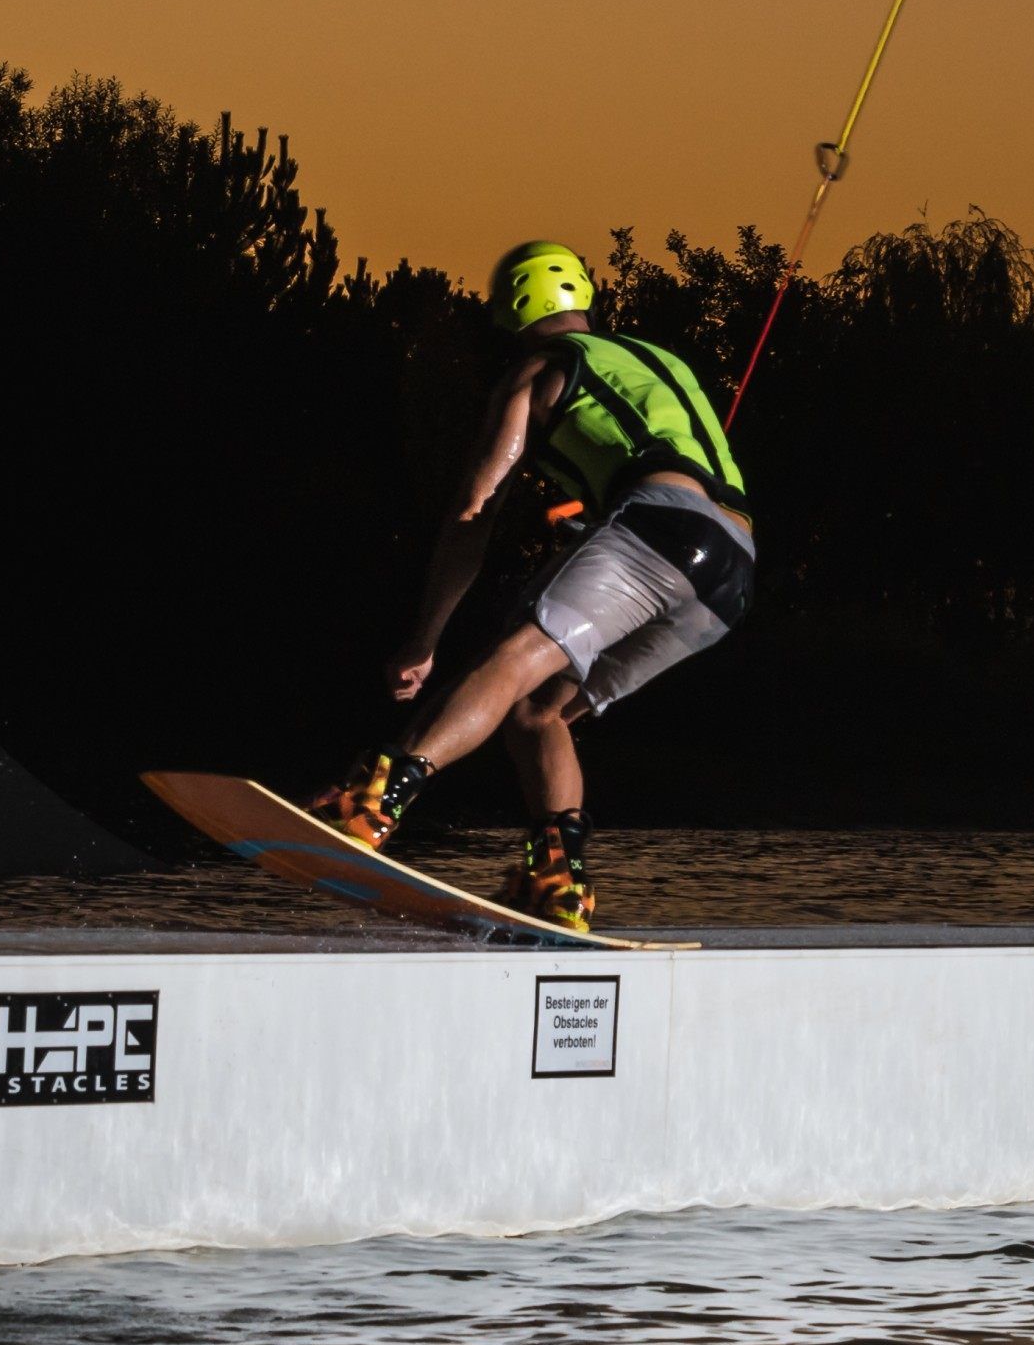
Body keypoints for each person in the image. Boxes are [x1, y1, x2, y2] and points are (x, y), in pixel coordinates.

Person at [311, 241, 754, 931]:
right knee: (539, 713)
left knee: (513, 661)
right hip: (731, 573)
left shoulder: (537, 371)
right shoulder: (658, 358)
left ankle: (371, 801)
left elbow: (474, 512)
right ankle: (558, 886)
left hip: (661, 529)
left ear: (511, 313)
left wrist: (424, 640)